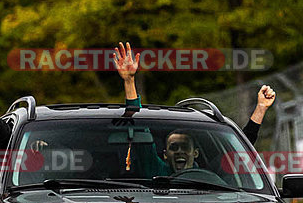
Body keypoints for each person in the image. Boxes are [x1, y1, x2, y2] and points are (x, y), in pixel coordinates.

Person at [112, 42, 276, 145]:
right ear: (165, 155)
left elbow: (243, 148)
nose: (179, 152)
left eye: (185, 146)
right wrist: (129, 81)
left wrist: (261, 107)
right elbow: (138, 126)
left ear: (195, 153)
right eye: (174, 147)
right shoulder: (158, 171)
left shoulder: (213, 177)